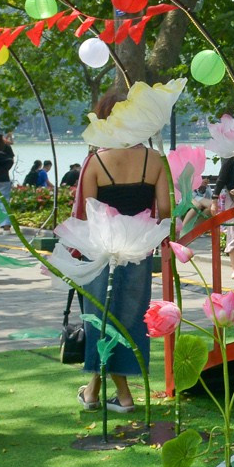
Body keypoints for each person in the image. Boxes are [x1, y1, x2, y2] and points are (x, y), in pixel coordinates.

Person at [76, 91, 169, 413]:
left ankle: (120, 395)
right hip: (138, 250)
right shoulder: (155, 160)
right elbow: (165, 209)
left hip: (102, 250)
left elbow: (88, 213)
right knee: (128, 319)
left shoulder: (96, 161)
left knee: (100, 318)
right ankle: (95, 391)